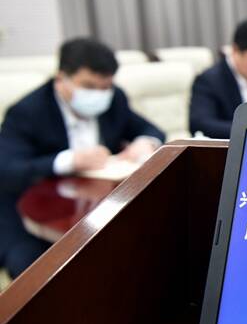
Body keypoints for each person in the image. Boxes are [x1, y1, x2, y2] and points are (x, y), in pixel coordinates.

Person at [0, 38, 164, 278]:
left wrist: (144, 142)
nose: (99, 94)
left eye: (105, 86)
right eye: (88, 86)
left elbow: (150, 130)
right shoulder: (29, 111)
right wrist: (68, 161)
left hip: (100, 206)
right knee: (35, 274)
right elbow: (8, 169)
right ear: (61, 79)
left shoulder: (113, 99)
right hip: (32, 214)